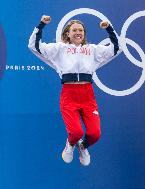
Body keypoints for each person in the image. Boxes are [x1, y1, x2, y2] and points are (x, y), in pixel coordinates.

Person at [28, 15, 121, 166]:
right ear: (67, 34)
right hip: (69, 94)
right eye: (74, 30)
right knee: (76, 132)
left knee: (95, 134)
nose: (78, 32)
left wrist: (109, 29)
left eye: (81, 30)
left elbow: (117, 48)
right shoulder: (59, 49)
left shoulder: (92, 50)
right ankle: (70, 144)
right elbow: (34, 46)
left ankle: (83, 146)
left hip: (87, 95)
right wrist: (41, 25)